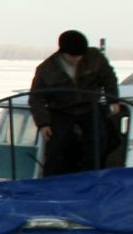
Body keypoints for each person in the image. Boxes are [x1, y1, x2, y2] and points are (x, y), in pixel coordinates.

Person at [29, 30, 122, 176]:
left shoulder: (95, 58)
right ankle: (51, 182)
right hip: (61, 109)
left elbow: (109, 78)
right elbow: (36, 98)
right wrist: (43, 123)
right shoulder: (46, 69)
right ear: (62, 53)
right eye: (73, 56)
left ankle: (91, 175)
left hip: (89, 106)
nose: (77, 59)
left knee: (101, 140)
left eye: (80, 56)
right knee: (55, 144)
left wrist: (113, 100)